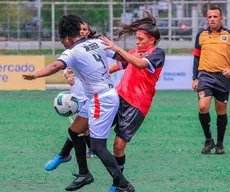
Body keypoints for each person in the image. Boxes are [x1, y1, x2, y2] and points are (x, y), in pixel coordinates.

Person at [23, 14, 135, 192]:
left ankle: (123, 185)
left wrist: (35, 75)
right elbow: (122, 59)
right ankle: (84, 174)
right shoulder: (96, 43)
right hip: (102, 96)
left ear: (67, 38)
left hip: (101, 99)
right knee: (74, 131)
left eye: (62, 41)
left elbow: (55, 66)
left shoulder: (72, 52)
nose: (63, 45)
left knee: (98, 146)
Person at [101, 10, 165, 192]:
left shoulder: (157, 53)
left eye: (141, 39)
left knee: (118, 146)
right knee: (90, 128)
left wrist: (116, 48)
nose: (137, 42)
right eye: (136, 39)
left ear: (151, 40)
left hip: (137, 104)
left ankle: (118, 183)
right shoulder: (134, 52)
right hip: (118, 97)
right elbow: (120, 63)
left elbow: (139, 64)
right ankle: (71, 156)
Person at [44, 22, 97, 172]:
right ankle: (89, 151)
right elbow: (66, 69)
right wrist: (68, 77)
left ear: (88, 32)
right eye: (79, 30)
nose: (82, 32)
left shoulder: (94, 46)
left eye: (85, 29)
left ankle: (66, 155)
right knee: (81, 128)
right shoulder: (72, 50)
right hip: (77, 93)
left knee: (81, 128)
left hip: (92, 93)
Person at [192, 7, 230, 154]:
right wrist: (195, 77)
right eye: (210, 17)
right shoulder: (200, 35)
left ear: (221, 18)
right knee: (203, 107)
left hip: (223, 78)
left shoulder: (228, 35)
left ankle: (220, 144)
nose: (212, 19)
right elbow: (196, 58)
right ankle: (209, 140)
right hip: (205, 76)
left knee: (221, 110)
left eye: (215, 16)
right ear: (207, 19)